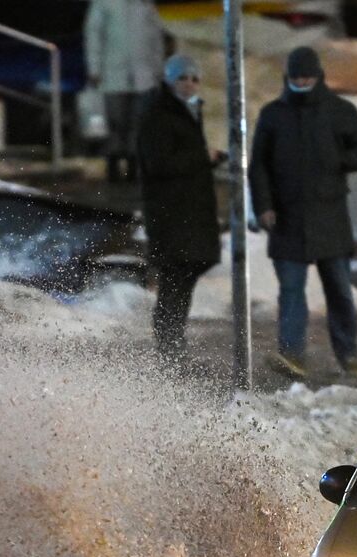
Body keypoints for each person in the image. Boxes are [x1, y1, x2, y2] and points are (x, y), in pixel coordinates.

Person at [250, 47, 357, 380]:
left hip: (329, 216)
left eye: (306, 76)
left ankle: (348, 353)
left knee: (339, 290)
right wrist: (263, 206)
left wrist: (341, 161)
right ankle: (292, 355)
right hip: (287, 218)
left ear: (317, 75)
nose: (301, 82)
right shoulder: (273, 115)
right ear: (288, 77)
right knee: (291, 292)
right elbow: (259, 166)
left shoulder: (338, 111)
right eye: (296, 77)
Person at [136, 54, 223, 358]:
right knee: (174, 284)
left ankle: (173, 348)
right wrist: (204, 157)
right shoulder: (159, 115)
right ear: (170, 80)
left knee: (182, 282)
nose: (189, 84)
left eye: (194, 78)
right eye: (182, 78)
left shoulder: (185, 112)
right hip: (172, 217)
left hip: (187, 216)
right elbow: (160, 162)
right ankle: (169, 350)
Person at [83, 0, 165, 182]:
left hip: (143, 77)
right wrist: (94, 69)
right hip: (112, 75)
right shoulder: (104, 4)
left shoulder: (145, 5)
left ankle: (133, 167)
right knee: (115, 121)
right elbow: (94, 34)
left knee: (138, 123)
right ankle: (113, 166)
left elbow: (156, 38)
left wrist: (158, 70)